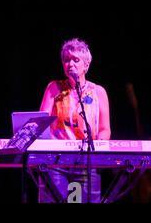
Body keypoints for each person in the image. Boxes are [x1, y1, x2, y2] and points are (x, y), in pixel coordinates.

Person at [38, 37, 111, 203]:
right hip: (56, 161)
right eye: (66, 60)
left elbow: (105, 129)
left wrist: (98, 145)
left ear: (86, 65)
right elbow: (41, 124)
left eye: (75, 60)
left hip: (87, 160)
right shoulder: (54, 88)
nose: (70, 64)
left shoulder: (98, 92)